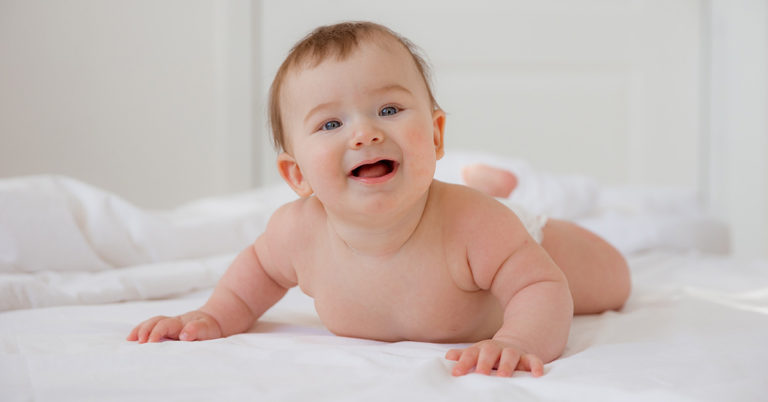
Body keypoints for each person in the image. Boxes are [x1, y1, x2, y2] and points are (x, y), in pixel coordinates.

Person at [127, 21, 630, 378]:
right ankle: (487, 181)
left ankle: (492, 191)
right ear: (297, 174)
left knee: (614, 281)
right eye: (330, 123)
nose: (365, 133)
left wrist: (518, 341)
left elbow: (542, 286)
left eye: (388, 109)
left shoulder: (478, 227)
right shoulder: (296, 233)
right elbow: (251, 280)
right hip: (477, 238)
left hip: (512, 233)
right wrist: (213, 315)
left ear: (434, 136)